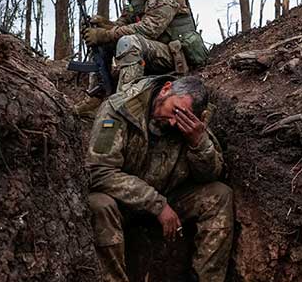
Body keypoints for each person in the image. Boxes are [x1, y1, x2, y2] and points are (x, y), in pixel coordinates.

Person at [86, 75, 233, 282]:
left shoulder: (192, 121)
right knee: (99, 205)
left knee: (219, 194)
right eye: (174, 112)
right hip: (124, 203)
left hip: (171, 196)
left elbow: (211, 176)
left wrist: (198, 143)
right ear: (165, 89)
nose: (174, 122)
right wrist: (157, 205)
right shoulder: (119, 109)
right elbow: (98, 170)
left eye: (181, 118)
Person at [76, 0, 208, 116]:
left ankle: (125, 105)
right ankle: (97, 97)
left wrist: (106, 34)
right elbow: (124, 23)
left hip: (175, 56)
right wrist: (103, 26)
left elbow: (150, 28)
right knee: (104, 40)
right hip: (152, 50)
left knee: (128, 42)